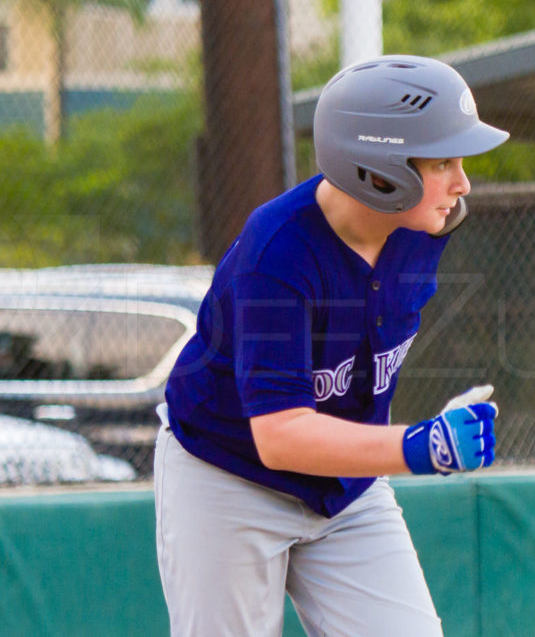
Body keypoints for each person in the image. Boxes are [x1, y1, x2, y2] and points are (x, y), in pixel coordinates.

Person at [153, 55, 509, 636]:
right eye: (443, 160)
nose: (461, 182)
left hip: (347, 490)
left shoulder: (422, 234)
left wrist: (416, 440)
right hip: (226, 474)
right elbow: (280, 434)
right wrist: (419, 447)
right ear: (380, 169)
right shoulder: (278, 255)